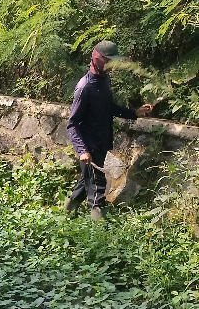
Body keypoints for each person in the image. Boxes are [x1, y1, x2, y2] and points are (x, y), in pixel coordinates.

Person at [64, 40, 152, 220]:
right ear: (98, 60)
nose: (112, 66)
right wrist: (82, 150)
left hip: (102, 141)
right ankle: (101, 239)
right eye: (109, 61)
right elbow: (72, 124)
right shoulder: (84, 88)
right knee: (97, 190)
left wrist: (134, 113)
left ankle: (66, 213)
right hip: (89, 146)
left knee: (86, 182)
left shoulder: (104, 80)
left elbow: (109, 107)